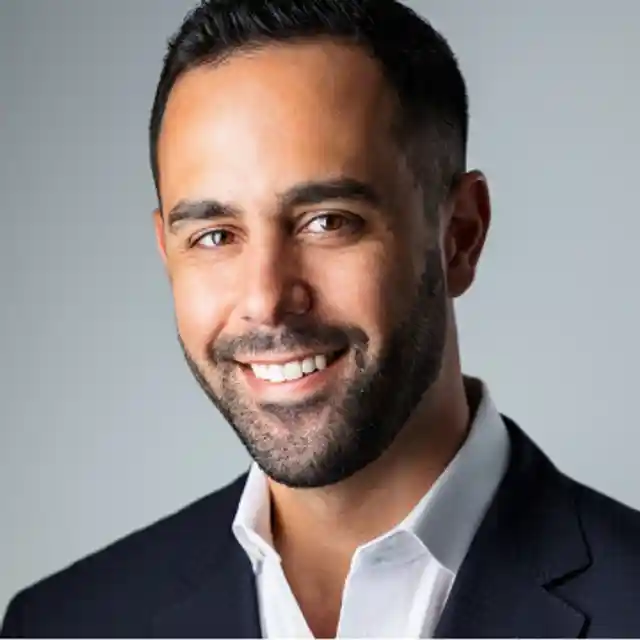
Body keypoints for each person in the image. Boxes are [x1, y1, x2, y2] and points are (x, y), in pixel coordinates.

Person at [3, 0, 640, 637]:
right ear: (167, 253)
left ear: (460, 236)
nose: (266, 299)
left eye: (328, 222)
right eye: (215, 235)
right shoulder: (61, 624)